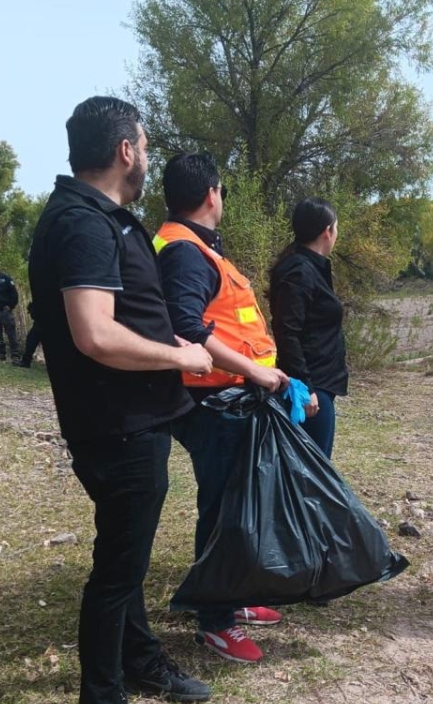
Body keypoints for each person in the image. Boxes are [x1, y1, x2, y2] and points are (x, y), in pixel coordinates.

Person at [27, 97, 215, 704]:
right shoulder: (80, 222)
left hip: (136, 421)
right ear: (125, 150)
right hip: (118, 427)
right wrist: (183, 358)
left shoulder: (102, 218)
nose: (147, 154)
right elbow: (94, 333)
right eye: (143, 142)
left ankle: (140, 662)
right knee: (117, 574)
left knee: (128, 563)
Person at [154, 152, 288, 665]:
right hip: (209, 399)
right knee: (225, 507)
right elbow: (186, 325)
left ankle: (230, 594)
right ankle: (215, 621)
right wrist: (253, 370)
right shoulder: (185, 252)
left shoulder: (199, 248)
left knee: (238, 504)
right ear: (213, 194)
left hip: (226, 395)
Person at [267, 197, 347, 458]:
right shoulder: (300, 271)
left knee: (313, 469)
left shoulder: (312, 267)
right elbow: (286, 330)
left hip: (320, 383)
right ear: (327, 231)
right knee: (312, 473)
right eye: (336, 228)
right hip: (311, 388)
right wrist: (306, 387)